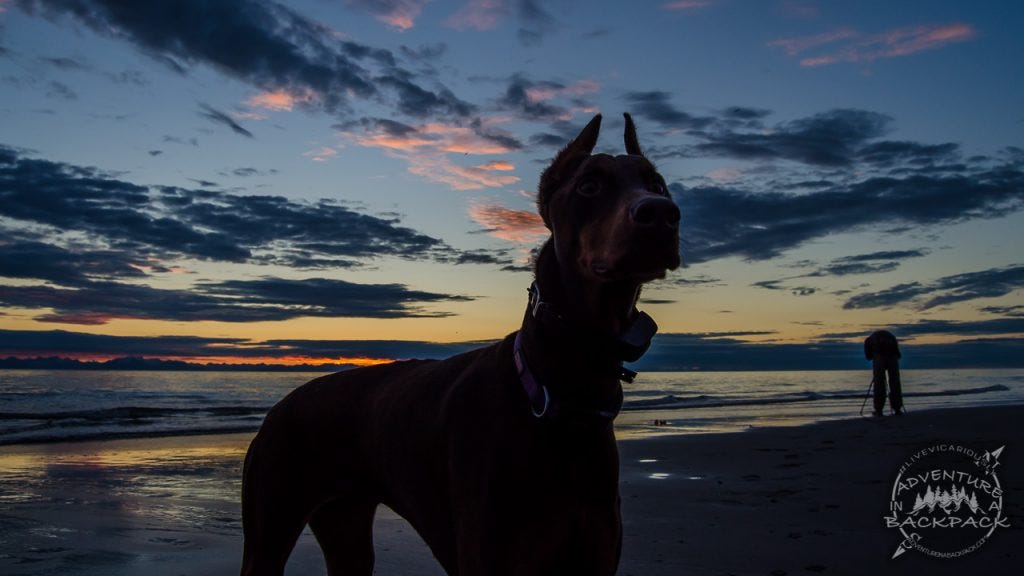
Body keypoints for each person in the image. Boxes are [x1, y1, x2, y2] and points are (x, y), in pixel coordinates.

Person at [864, 330, 903, 416]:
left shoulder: (869, 341)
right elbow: (898, 354)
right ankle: (897, 408)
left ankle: (878, 410)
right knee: (895, 382)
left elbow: (869, 357)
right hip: (892, 356)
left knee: (879, 383)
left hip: (880, 356)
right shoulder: (890, 337)